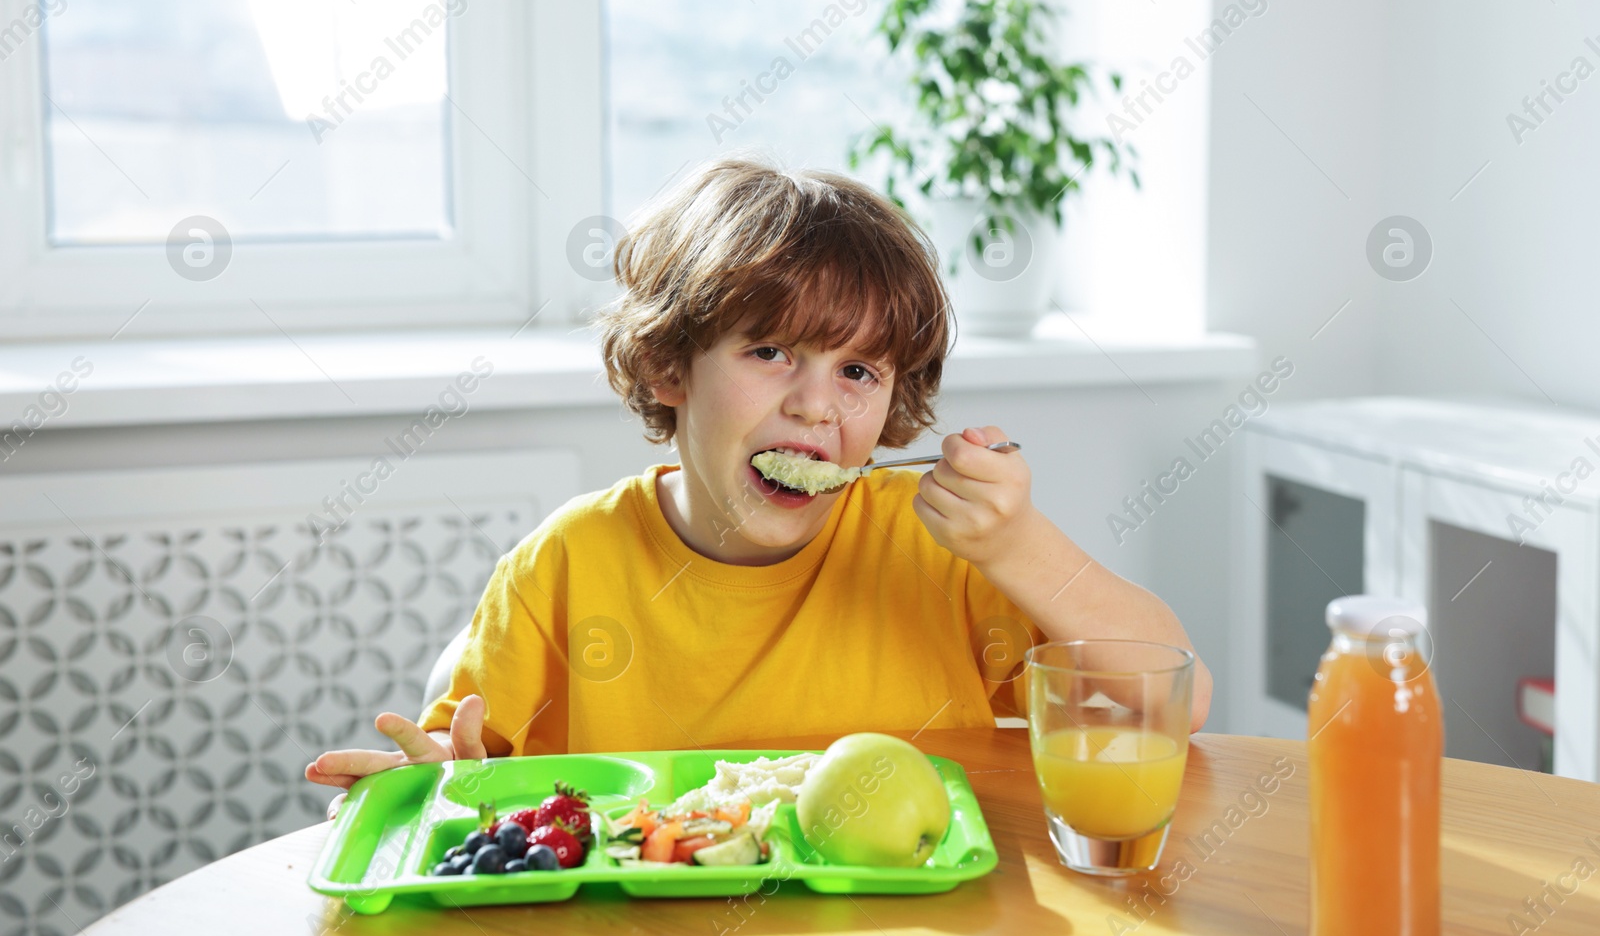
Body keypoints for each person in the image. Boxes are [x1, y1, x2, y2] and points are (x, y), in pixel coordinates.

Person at [305, 158, 1213, 818]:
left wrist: (1021, 547)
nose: (817, 404)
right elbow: (460, 780)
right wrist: (436, 792)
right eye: (770, 351)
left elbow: (1180, 698)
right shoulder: (570, 562)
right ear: (669, 366)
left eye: (860, 371)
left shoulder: (937, 546)